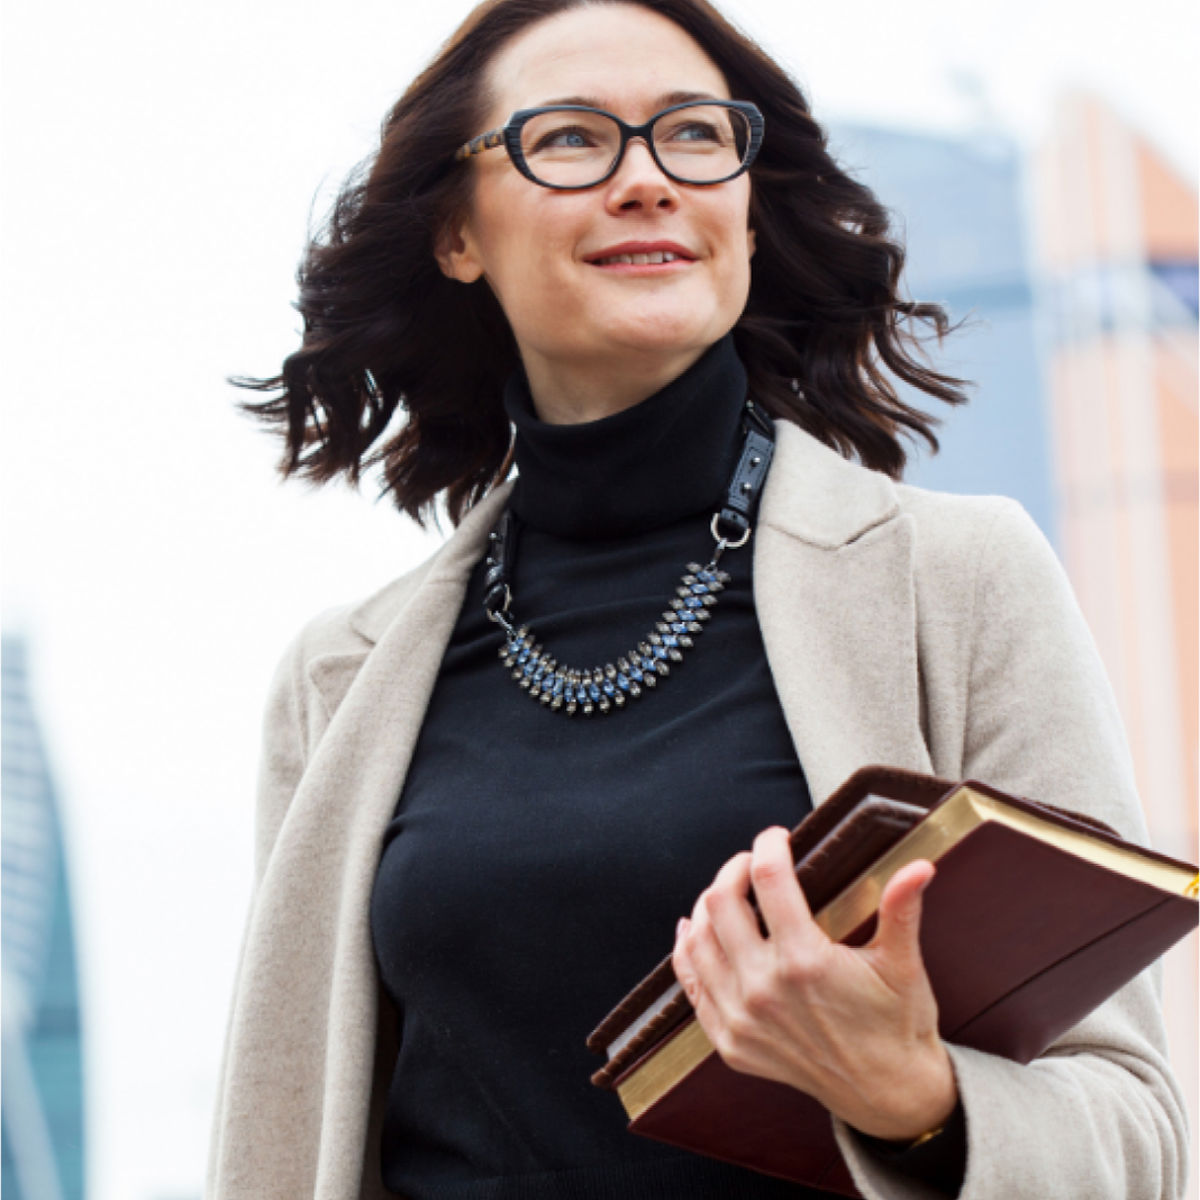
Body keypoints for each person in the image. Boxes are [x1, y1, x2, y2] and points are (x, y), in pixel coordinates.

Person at [206, 1, 1189, 1197]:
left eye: (694, 135)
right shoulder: (337, 682)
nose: (648, 180)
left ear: (747, 210)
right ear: (457, 232)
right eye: (571, 139)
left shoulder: (958, 581)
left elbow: (1139, 1136)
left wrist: (913, 1099)